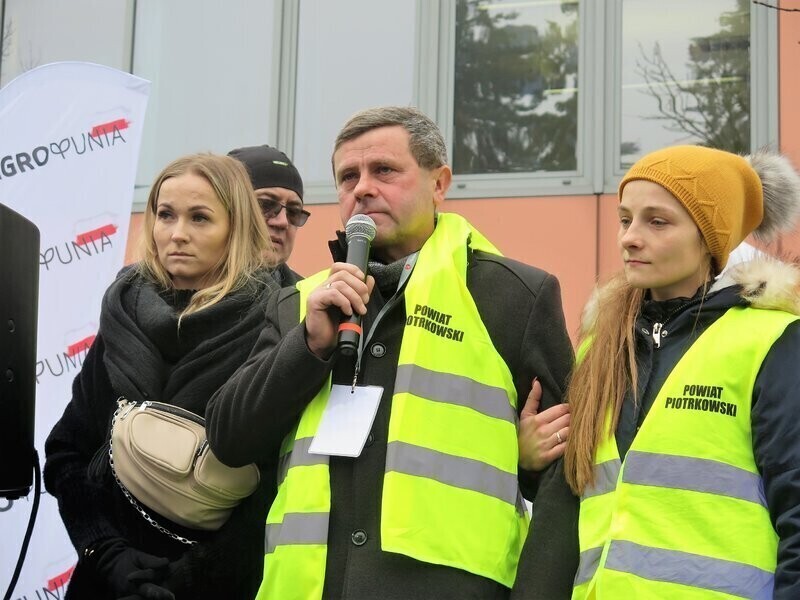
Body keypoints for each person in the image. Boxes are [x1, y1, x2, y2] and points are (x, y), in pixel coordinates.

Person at [205, 106, 574, 599]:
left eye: (384, 171)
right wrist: (309, 344)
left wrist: (525, 469)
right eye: (347, 177)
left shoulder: (512, 295)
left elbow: (567, 476)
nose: (361, 188)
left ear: (439, 183)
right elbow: (229, 438)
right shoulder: (300, 303)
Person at [512, 145, 800, 599]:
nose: (630, 237)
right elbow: (589, 496)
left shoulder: (773, 340)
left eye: (657, 221)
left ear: (711, 236)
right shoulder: (598, 346)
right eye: (626, 219)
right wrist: (531, 463)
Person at [44, 153, 279, 599]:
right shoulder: (122, 315)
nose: (177, 234)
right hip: (106, 584)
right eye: (165, 214)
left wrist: (189, 577)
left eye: (200, 218)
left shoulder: (275, 325)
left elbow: (275, 486)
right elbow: (66, 452)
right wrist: (104, 551)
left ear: (237, 228)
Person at [228, 144, 309, 286]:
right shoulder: (181, 292)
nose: (282, 222)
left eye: (293, 212)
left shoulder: (311, 300)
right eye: (265, 204)